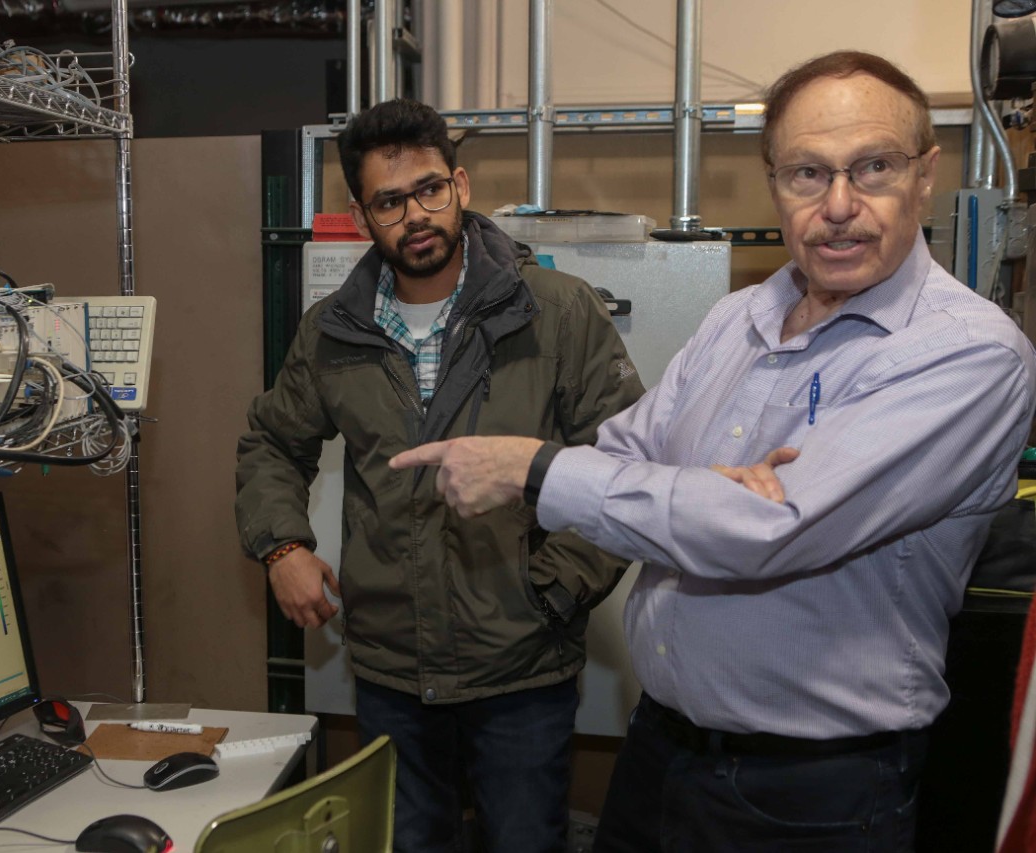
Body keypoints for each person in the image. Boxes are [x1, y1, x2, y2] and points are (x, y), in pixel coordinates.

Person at [390, 51, 1036, 851]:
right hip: (661, 752)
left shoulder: (968, 352)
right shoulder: (738, 318)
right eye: (807, 173)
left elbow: (763, 531)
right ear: (773, 181)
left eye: (872, 167)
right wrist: (702, 495)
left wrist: (539, 468)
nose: (838, 205)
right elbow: (629, 447)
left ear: (925, 174)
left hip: (810, 794)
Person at [235, 98, 644, 853]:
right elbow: (270, 441)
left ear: (459, 185)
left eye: (429, 189)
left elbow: (626, 463)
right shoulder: (332, 330)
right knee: (410, 840)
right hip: (392, 668)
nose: (415, 214)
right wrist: (281, 546)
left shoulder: (553, 311)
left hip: (521, 669)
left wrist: (551, 590)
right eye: (389, 201)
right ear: (362, 216)